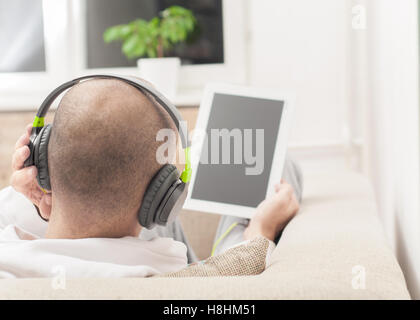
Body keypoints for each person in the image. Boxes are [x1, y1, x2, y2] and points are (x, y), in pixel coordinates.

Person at [0, 78, 302, 278]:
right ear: (159, 202)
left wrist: (34, 199)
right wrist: (261, 229)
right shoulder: (167, 273)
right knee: (281, 162)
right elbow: (237, 270)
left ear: (42, 166)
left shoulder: (9, 252)